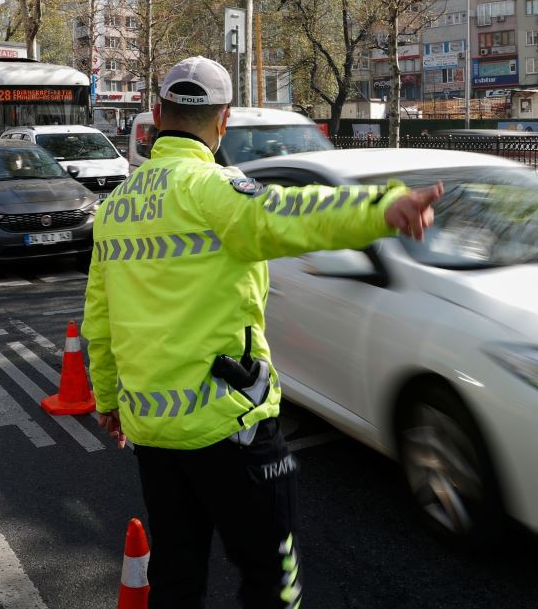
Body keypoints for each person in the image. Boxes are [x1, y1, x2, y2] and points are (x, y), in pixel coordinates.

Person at [81, 56, 441, 609]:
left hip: (152, 432)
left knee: (176, 576)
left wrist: (108, 400)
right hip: (233, 429)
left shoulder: (115, 208)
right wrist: (383, 207)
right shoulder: (212, 189)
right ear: (223, 121)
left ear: (156, 115)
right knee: (272, 577)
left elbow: (98, 324)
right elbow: (289, 213)